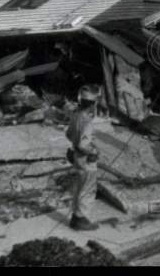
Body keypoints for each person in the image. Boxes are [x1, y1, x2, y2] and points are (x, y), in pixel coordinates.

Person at [66, 84, 101, 230]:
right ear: (94, 103)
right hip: (85, 159)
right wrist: (93, 152)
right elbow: (83, 145)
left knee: (79, 187)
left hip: (76, 157)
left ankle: (75, 216)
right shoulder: (87, 120)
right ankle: (81, 219)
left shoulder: (75, 115)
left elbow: (68, 134)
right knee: (88, 189)